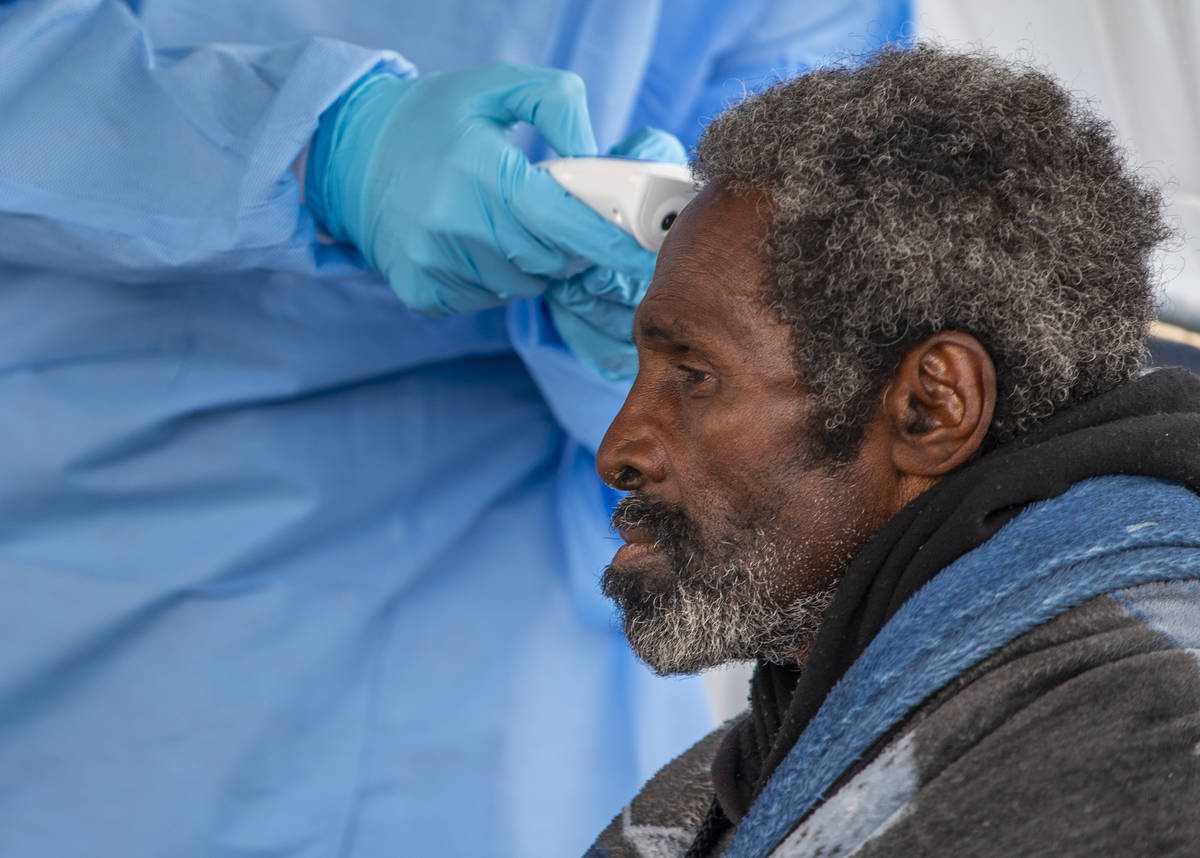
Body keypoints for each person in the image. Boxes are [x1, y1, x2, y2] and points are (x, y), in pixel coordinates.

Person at [0, 1, 913, 857]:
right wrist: (304, 142)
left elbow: (814, 299)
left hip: (524, 678)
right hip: (118, 577)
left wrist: (638, 347)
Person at [588, 45, 1200, 858]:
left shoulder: (1141, 754)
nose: (619, 450)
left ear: (930, 408)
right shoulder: (736, 778)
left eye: (694, 374)